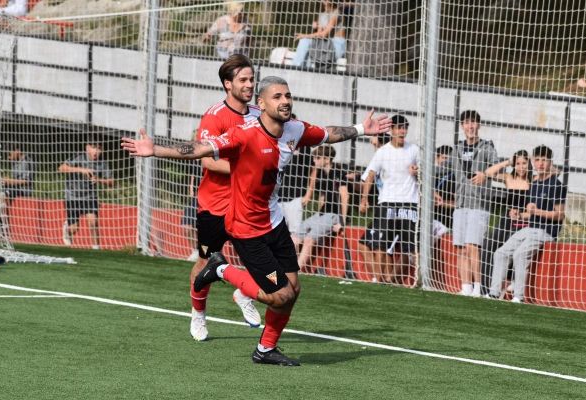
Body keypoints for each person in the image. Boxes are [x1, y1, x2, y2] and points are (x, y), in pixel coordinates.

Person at [122, 75, 391, 366]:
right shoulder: (244, 134)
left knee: (293, 290)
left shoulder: (294, 129)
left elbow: (328, 134)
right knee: (279, 296)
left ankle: (265, 350)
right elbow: (199, 149)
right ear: (261, 103)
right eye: (277, 96)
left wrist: (362, 128)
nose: (285, 101)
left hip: (274, 222)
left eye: (287, 95)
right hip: (246, 228)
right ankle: (220, 269)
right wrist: (155, 150)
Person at [185, 54, 262, 342]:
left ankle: (244, 294)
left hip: (249, 205)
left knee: (270, 258)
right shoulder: (214, 115)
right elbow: (207, 161)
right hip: (215, 206)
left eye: (252, 79)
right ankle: (198, 315)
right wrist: (244, 169)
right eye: (243, 79)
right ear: (228, 84)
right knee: (206, 262)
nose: (250, 84)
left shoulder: (258, 114)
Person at [488, 145, 567, 303]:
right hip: (530, 228)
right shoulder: (535, 184)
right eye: (537, 160)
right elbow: (529, 213)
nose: (540, 164)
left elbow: (560, 215)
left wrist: (538, 212)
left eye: (544, 160)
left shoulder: (557, 185)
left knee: (519, 254)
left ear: (550, 162)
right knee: (501, 253)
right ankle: (493, 293)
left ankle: (518, 296)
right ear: (533, 162)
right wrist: (518, 215)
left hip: (546, 232)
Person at [359, 115, 420, 285]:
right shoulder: (382, 152)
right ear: (391, 130)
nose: (402, 131)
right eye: (399, 127)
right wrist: (364, 199)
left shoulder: (414, 150)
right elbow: (370, 175)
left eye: (405, 127)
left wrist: (418, 171)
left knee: (411, 247)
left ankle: (417, 280)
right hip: (387, 202)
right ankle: (381, 279)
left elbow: (425, 171)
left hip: (410, 203)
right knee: (381, 244)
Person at [450, 110, 497, 297]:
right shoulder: (456, 149)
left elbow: (497, 166)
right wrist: (420, 168)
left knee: (473, 246)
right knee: (461, 247)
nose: (470, 126)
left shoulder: (487, 148)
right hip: (460, 204)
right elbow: (443, 169)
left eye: (473, 123)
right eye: (466, 123)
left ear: (479, 125)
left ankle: (478, 287)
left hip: (479, 205)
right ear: (462, 126)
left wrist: (485, 174)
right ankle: (466, 287)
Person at [480, 150, 532, 296]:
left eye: (524, 163)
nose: (521, 167)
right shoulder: (509, 178)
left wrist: (521, 215)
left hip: (525, 220)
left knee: (514, 247)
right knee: (490, 242)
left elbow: (556, 171)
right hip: (507, 218)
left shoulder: (533, 180)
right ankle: (485, 287)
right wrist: (508, 162)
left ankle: (513, 280)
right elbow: (488, 173)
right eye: (518, 164)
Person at [293, 145, 348, 274]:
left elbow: (345, 196)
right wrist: (317, 214)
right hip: (322, 214)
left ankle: (297, 270)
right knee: (294, 238)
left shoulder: (338, 172)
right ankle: (287, 267)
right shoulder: (322, 173)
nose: (314, 161)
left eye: (317, 158)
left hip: (333, 215)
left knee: (309, 239)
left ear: (327, 159)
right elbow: (322, 197)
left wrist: (342, 222)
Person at [58, 141, 114, 250]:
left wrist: (99, 179)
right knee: (74, 229)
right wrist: (81, 170)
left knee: (93, 221)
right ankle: (67, 229)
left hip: (89, 197)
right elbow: (61, 168)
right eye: (94, 148)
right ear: (87, 147)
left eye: (99, 148)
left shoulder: (103, 163)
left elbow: (112, 182)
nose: (96, 151)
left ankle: (96, 250)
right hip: (72, 197)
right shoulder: (79, 157)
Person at [355, 135, 390, 283]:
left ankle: (384, 279)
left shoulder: (388, 156)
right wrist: (364, 198)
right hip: (381, 208)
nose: (370, 139)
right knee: (365, 245)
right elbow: (366, 180)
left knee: (383, 248)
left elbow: (365, 181)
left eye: (374, 136)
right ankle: (380, 278)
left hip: (391, 207)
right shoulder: (377, 156)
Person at [278, 114, 314, 239]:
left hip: (295, 198)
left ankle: (295, 259)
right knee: (275, 235)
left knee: (295, 236)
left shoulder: (303, 144)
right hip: (276, 198)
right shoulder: (275, 142)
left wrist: (308, 194)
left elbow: (312, 169)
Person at [291, 0, 346, 68]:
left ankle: (296, 68)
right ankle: (299, 69)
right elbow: (319, 34)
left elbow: (324, 34)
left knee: (305, 41)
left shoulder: (337, 13)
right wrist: (315, 29)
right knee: (306, 43)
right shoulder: (322, 15)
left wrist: (304, 35)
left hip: (337, 45)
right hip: (325, 43)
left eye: (326, 0)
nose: (324, 2)